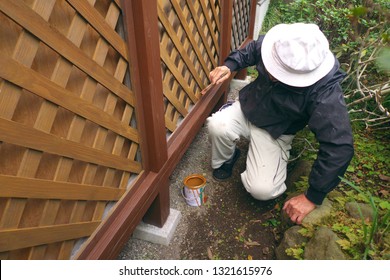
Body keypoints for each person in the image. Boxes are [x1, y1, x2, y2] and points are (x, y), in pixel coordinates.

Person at [206, 23, 354, 224]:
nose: (273, 75)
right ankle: (228, 157)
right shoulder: (279, 43)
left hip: (276, 130)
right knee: (217, 125)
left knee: (262, 190)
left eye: (284, 73)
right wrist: (229, 65)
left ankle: (264, 161)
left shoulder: (324, 90)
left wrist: (313, 196)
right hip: (249, 106)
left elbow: (339, 146)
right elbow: (250, 50)